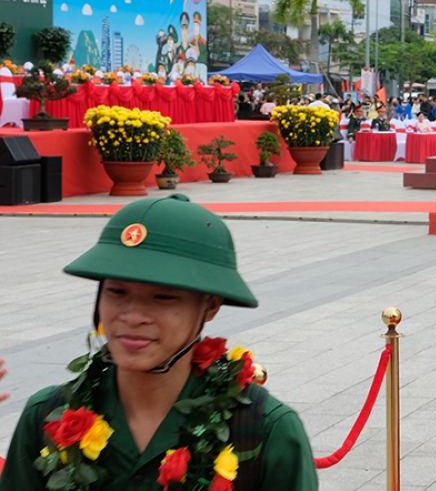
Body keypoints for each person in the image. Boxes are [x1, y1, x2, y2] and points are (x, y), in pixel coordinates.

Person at [0, 195, 318, 490]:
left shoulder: (264, 431)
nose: (133, 316)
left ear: (211, 305)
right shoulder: (48, 416)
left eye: (163, 297)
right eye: (117, 292)